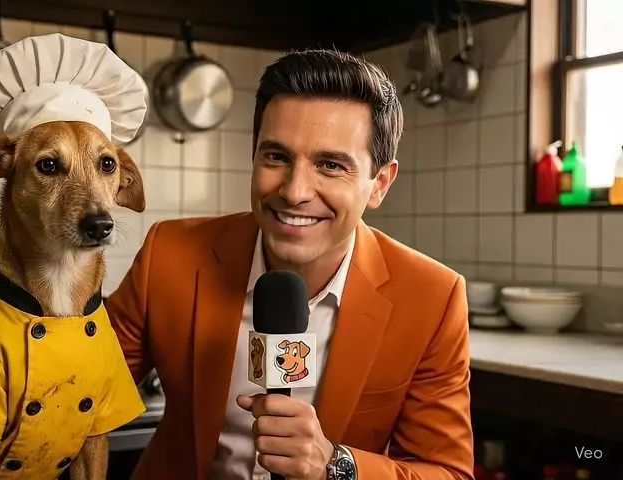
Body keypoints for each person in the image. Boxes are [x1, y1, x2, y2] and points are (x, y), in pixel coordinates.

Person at [106, 49, 474, 480]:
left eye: (331, 165)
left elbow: (446, 472)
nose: (295, 191)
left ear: (379, 184)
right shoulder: (170, 252)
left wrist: (334, 464)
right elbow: (79, 393)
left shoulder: (432, 297)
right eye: (276, 157)